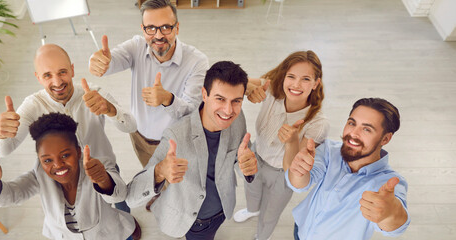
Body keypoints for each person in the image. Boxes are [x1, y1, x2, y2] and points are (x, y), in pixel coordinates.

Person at [0, 44, 135, 212]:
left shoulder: (94, 93)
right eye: (47, 75)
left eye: (62, 72)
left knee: (121, 203)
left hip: (105, 167)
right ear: (38, 78)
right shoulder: (32, 106)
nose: (57, 82)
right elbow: (2, 151)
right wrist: (1, 133)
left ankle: (127, 225)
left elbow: (131, 126)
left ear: (72, 70)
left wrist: (111, 109)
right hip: (65, 177)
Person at [126, 61, 258, 239]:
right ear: (204, 94)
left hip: (223, 209)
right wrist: (159, 172)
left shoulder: (238, 117)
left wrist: (246, 165)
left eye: (236, 101)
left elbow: (240, 155)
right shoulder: (177, 135)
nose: (228, 111)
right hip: (193, 220)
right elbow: (131, 197)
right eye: (220, 99)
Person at [0, 113, 140, 240]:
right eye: (47, 159)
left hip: (110, 235)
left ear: (78, 151)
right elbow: (14, 194)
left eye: (65, 155)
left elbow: (120, 194)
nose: (58, 165)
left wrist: (103, 179)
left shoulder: (97, 165)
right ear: (39, 159)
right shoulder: (39, 173)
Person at [88, 0, 208, 169]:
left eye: (166, 27)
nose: (158, 35)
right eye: (151, 28)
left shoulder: (197, 61)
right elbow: (109, 62)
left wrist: (168, 99)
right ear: (143, 29)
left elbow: (192, 110)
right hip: (139, 137)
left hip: (175, 144)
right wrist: (96, 62)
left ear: (177, 28)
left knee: (175, 189)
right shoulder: (136, 46)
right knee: (151, 182)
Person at [233, 51, 330, 240]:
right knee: (251, 190)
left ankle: (262, 236)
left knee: (270, 213)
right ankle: (252, 210)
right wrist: (249, 89)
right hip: (256, 155)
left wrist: (292, 142)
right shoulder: (272, 89)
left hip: (282, 175)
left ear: (316, 83)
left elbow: (292, 170)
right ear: (283, 76)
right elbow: (235, 82)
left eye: (305, 79)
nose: (295, 85)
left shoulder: (318, 123)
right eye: (291, 77)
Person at [286, 98, 410, 240]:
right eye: (352, 123)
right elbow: (299, 185)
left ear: (385, 139)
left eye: (366, 129)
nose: (353, 133)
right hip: (302, 229)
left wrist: (391, 213)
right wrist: (299, 170)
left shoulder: (388, 182)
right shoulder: (329, 150)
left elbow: (397, 226)